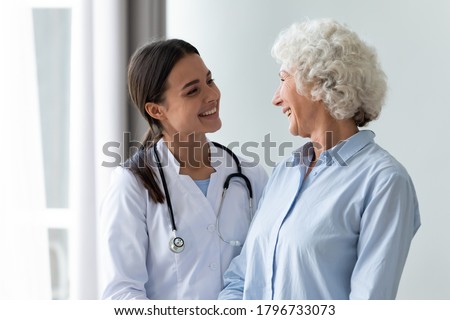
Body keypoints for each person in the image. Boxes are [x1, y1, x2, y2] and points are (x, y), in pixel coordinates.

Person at [219, 19, 421, 300]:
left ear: (317, 81)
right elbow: (240, 279)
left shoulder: (384, 181)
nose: (276, 99)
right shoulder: (284, 172)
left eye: (282, 80)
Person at [100, 39, 268, 299]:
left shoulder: (250, 176)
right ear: (157, 110)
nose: (212, 95)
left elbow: (265, 270)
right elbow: (121, 294)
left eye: (209, 81)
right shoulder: (132, 185)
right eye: (192, 91)